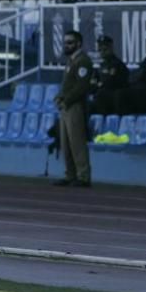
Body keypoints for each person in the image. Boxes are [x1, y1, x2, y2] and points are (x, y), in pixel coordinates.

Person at [52, 31, 94, 188]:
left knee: (77, 143)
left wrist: (66, 100)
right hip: (66, 106)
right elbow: (67, 85)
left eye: (70, 42)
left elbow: (81, 87)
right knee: (66, 144)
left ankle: (83, 176)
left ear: (78, 44)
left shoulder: (83, 61)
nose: (66, 45)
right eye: (65, 43)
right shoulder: (71, 61)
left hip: (75, 106)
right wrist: (59, 97)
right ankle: (70, 175)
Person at [89, 35, 129, 115]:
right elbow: (92, 83)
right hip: (101, 97)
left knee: (101, 96)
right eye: (100, 49)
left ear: (111, 48)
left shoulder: (117, 64)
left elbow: (110, 83)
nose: (102, 52)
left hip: (113, 99)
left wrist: (99, 84)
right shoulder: (102, 65)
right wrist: (98, 84)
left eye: (105, 49)